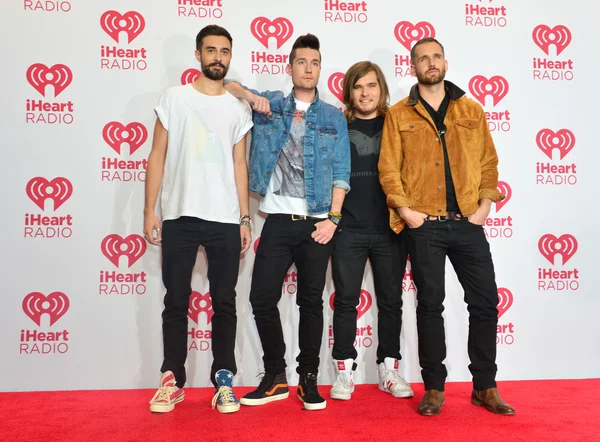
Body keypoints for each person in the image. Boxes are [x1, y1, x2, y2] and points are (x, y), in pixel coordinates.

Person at [378, 37, 515, 416]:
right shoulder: (400, 114)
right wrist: (406, 211)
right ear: (413, 67)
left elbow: (489, 162)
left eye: (436, 56)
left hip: (468, 221)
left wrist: (485, 206)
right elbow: (388, 168)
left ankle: (485, 386)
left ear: (445, 62)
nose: (430, 63)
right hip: (424, 224)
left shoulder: (471, 108)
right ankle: (434, 388)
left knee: (485, 302)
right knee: (430, 306)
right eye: (423, 58)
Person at [224, 33, 350, 411]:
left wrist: (333, 219)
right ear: (290, 67)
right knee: (262, 297)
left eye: (314, 62)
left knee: (311, 303)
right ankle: (275, 375)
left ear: (320, 68)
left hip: (316, 224)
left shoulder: (332, 116)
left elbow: (342, 171)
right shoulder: (273, 105)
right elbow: (228, 86)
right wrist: (251, 97)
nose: (308, 68)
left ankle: (308, 378)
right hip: (277, 220)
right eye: (301, 62)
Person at [143, 24, 253, 414]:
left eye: (224, 51)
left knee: (225, 302)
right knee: (176, 300)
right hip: (179, 214)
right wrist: (149, 210)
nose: (218, 57)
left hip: (225, 218)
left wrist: (244, 218)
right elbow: (156, 155)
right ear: (198, 54)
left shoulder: (239, 108)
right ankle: (171, 381)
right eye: (211, 50)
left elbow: (240, 163)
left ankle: (224, 381)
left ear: (230, 56)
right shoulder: (173, 98)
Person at [329, 61, 413, 401]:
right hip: (347, 228)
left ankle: (389, 370)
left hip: (390, 227)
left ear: (381, 89)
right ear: (349, 92)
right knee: (346, 302)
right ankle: (343, 372)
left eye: (371, 86)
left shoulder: (398, 123)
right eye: (358, 86)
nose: (365, 93)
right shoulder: (337, 125)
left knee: (391, 302)